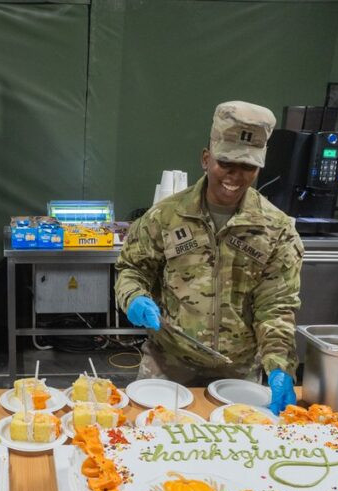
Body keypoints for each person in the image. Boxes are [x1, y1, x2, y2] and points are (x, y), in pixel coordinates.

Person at [115, 101, 302, 414]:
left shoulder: (277, 229)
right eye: (226, 162)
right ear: (206, 158)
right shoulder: (165, 216)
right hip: (167, 366)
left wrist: (280, 366)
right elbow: (132, 269)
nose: (235, 175)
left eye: (248, 167)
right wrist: (133, 297)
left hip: (237, 373)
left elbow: (276, 307)